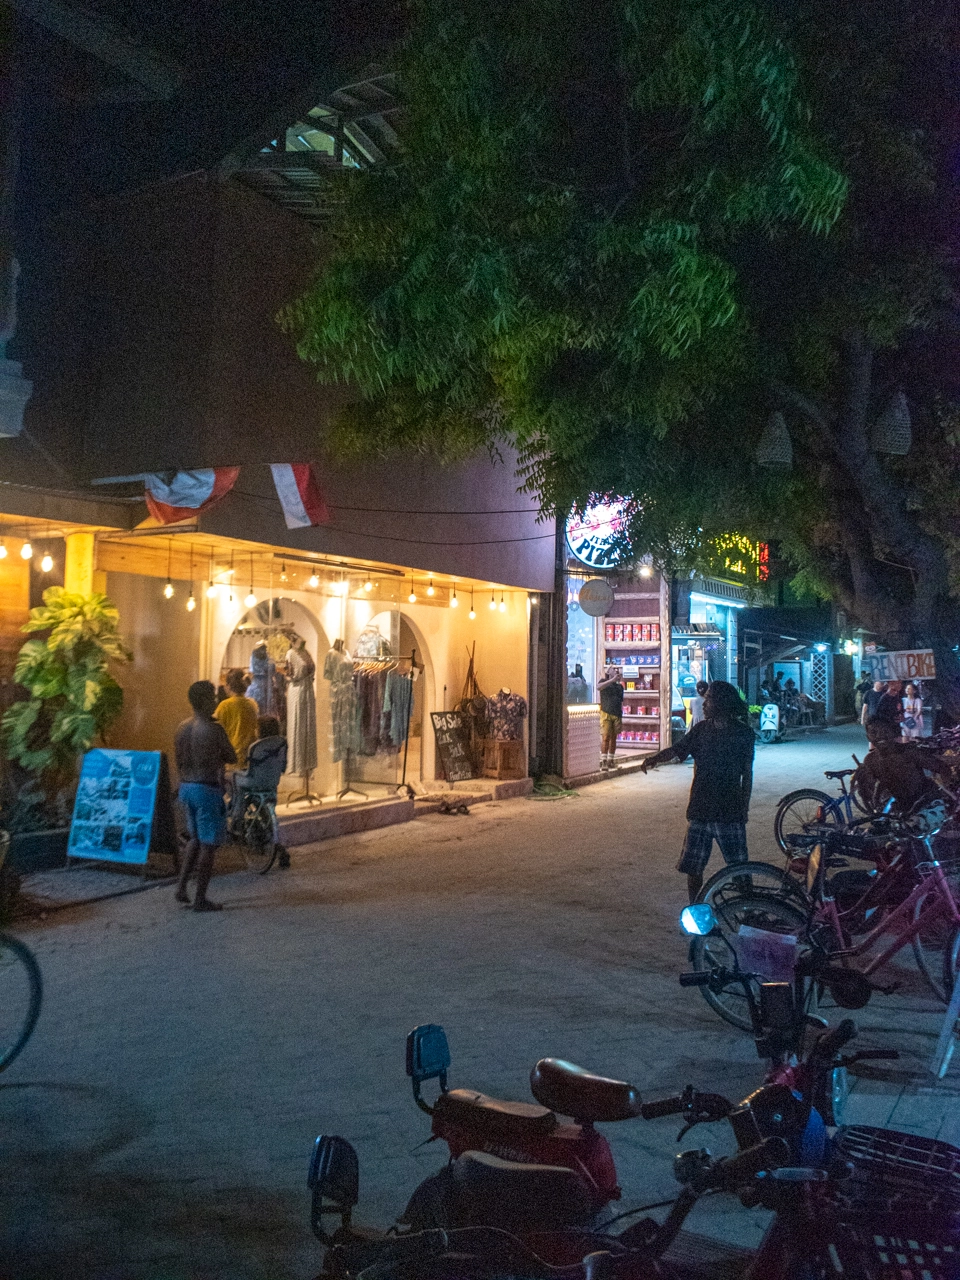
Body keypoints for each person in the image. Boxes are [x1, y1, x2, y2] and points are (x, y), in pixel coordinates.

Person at [640, 680, 755, 903]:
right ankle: (695, 908)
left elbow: (747, 774)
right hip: (700, 809)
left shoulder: (743, 734)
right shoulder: (701, 730)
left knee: (739, 868)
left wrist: (744, 808)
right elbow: (678, 749)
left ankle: (750, 910)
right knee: (694, 868)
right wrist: (655, 758)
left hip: (728, 811)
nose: (704, 702)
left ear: (721, 702)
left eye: (709, 698)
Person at [174, 680, 236, 912]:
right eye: (212, 697)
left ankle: (181, 887)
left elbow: (179, 759)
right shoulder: (213, 729)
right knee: (209, 845)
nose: (216, 701)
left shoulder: (182, 727)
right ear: (203, 701)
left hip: (186, 787)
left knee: (194, 839)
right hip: (206, 789)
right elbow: (231, 755)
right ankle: (200, 898)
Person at [230, 714, 290, 866]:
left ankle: (237, 814)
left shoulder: (255, 746)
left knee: (233, 779)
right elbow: (283, 766)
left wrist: (238, 771)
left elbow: (250, 771)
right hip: (272, 782)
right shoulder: (282, 742)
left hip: (254, 781)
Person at [213, 667, 260, 767]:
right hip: (249, 759)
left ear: (228, 686)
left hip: (231, 760)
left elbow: (214, 729)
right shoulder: (252, 704)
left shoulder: (224, 706)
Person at [597, 665, 624, 771]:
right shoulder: (604, 681)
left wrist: (621, 714)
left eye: (617, 670)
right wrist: (612, 680)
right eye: (614, 669)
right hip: (606, 713)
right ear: (608, 672)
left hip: (616, 714)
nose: (616, 671)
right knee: (605, 737)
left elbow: (621, 701)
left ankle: (610, 760)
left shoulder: (619, 687)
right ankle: (603, 761)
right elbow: (598, 687)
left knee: (614, 738)